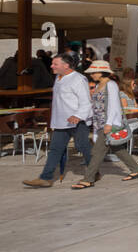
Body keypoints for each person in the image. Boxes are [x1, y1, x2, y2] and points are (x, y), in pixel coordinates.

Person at [24, 53, 94, 188]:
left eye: (55, 64)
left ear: (66, 65)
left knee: (83, 147)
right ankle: (45, 178)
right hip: (61, 122)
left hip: (77, 121)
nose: (51, 66)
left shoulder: (79, 79)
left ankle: (93, 171)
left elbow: (86, 102)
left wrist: (78, 116)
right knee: (55, 149)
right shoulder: (58, 77)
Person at [72, 61, 138, 188]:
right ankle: (136, 169)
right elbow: (95, 106)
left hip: (108, 124)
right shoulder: (99, 85)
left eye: (94, 72)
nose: (92, 75)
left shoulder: (111, 85)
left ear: (102, 72)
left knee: (97, 152)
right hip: (100, 123)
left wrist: (109, 124)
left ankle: (89, 178)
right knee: (117, 148)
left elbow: (114, 105)